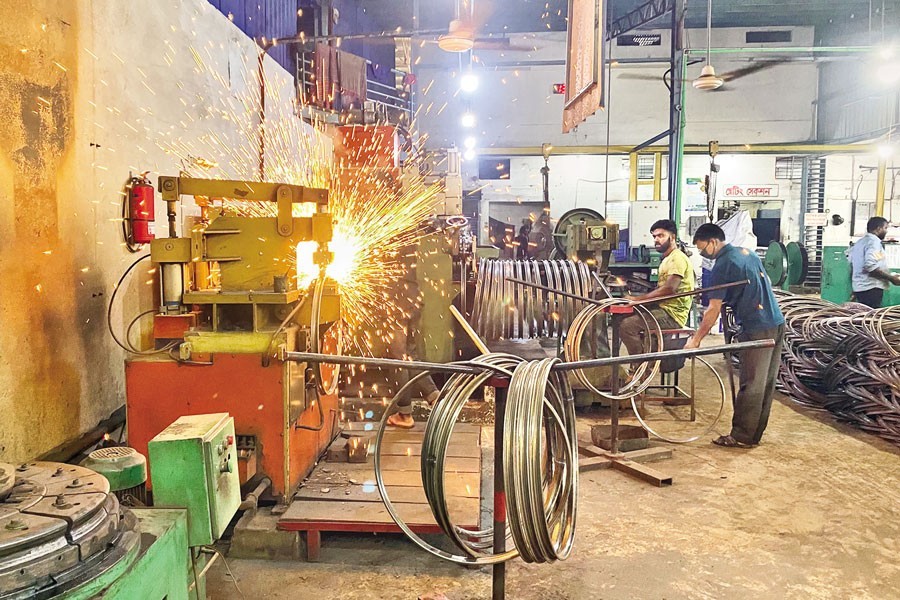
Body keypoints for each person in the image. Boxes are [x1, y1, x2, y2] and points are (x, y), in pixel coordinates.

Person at [685, 223, 784, 448]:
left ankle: (741, 436)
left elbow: (713, 308)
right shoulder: (746, 253)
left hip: (757, 326)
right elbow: (761, 284)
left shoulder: (724, 263)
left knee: (752, 383)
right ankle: (754, 434)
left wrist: (696, 340)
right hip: (776, 322)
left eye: (703, 250)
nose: (703, 255)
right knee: (766, 382)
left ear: (713, 242)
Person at [619, 219, 695, 355]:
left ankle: (638, 368)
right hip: (663, 308)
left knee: (627, 326)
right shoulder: (667, 259)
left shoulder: (677, 259)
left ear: (672, 237)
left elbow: (668, 290)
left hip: (672, 315)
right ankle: (645, 362)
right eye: (654, 236)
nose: (656, 240)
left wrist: (638, 300)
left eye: (661, 236)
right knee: (621, 316)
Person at [847, 216, 900, 309]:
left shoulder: (860, 243)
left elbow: (853, 265)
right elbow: (870, 266)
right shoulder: (873, 242)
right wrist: (891, 278)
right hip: (871, 288)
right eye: (885, 228)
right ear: (878, 228)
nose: (886, 231)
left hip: (861, 288)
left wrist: (854, 288)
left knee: (863, 316)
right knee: (871, 318)